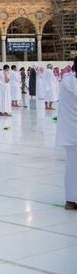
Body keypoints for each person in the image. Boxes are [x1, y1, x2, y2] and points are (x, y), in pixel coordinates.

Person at [56, 59, 77, 210]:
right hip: (73, 132)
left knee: (72, 167)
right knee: (73, 167)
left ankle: (71, 200)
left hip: (70, 132)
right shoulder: (71, 82)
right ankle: (71, 200)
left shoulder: (67, 80)